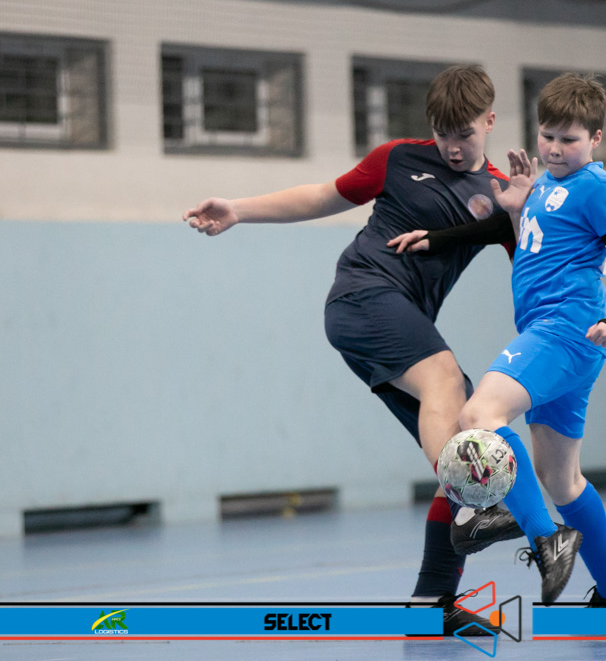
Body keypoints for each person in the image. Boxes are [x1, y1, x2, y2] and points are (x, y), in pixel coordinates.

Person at [183, 64, 525, 634]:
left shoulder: (501, 194)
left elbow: (531, 269)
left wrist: (525, 216)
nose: (453, 147)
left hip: (403, 321)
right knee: (446, 384)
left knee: (467, 430)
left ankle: (431, 602)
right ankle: (476, 504)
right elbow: (323, 196)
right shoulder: (397, 158)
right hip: (363, 295)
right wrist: (240, 209)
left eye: (464, 134)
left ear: (489, 121)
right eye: (443, 134)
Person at [389, 73, 606, 606]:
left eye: (569, 139)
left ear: (596, 139)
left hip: (564, 331)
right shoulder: (542, 188)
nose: (555, 148)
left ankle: (545, 539)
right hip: (560, 342)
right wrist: (455, 232)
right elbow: (505, 234)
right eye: (547, 136)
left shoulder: (598, 188)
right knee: (562, 481)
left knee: (477, 415)